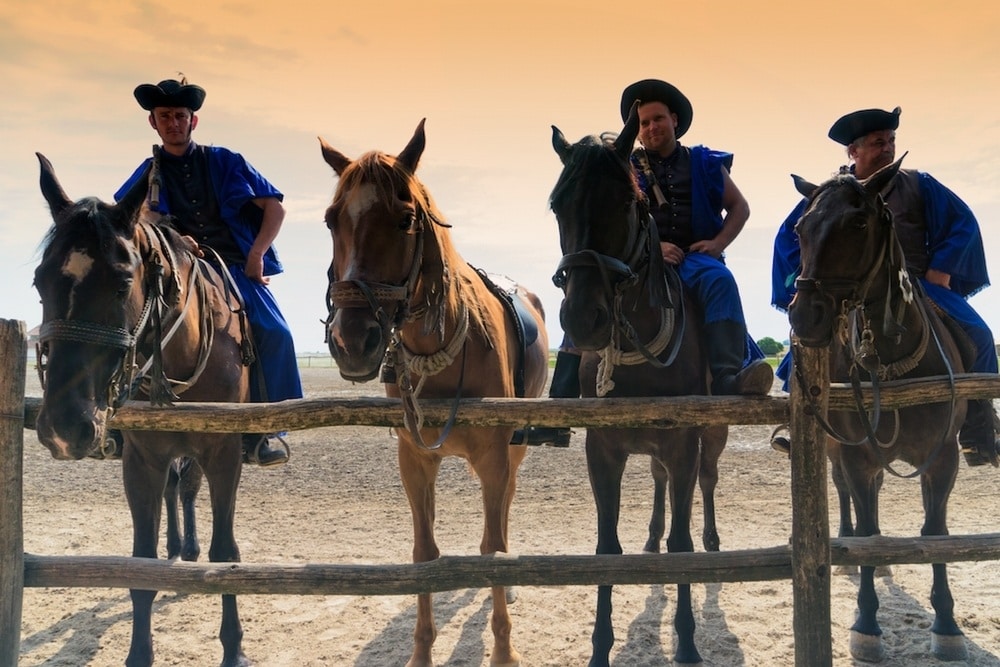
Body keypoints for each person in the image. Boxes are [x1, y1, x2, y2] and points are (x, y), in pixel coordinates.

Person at [515, 79, 774, 448]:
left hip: (696, 258)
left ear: (674, 120)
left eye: (658, 119)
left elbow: (740, 207)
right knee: (589, 287)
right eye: (644, 122)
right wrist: (656, 244)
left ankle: (727, 375)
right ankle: (564, 394)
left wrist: (717, 244)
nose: (652, 127)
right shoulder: (623, 165)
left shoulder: (704, 163)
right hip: (641, 259)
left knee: (721, 282)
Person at [771, 106, 998, 466]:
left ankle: (977, 425)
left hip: (917, 286)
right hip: (849, 293)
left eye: (891, 141)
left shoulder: (919, 184)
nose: (888, 148)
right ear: (853, 152)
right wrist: (812, 281)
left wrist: (941, 270)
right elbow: (791, 238)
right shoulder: (828, 195)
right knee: (802, 349)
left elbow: (963, 223)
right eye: (879, 142)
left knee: (980, 335)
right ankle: (798, 421)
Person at [113, 76, 303, 466]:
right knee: (122, 326)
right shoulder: (150, 172)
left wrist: (257, 255)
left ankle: (264, 429)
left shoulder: (225, 161)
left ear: (192, 121)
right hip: (175, 268)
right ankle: (116, 424)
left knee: (276, 333)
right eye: (164, 116)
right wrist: (173, 238)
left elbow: (275, 208)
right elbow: (140, 217)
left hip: (233, 265)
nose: (172, 122)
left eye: (180, 115)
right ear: (153, 122)